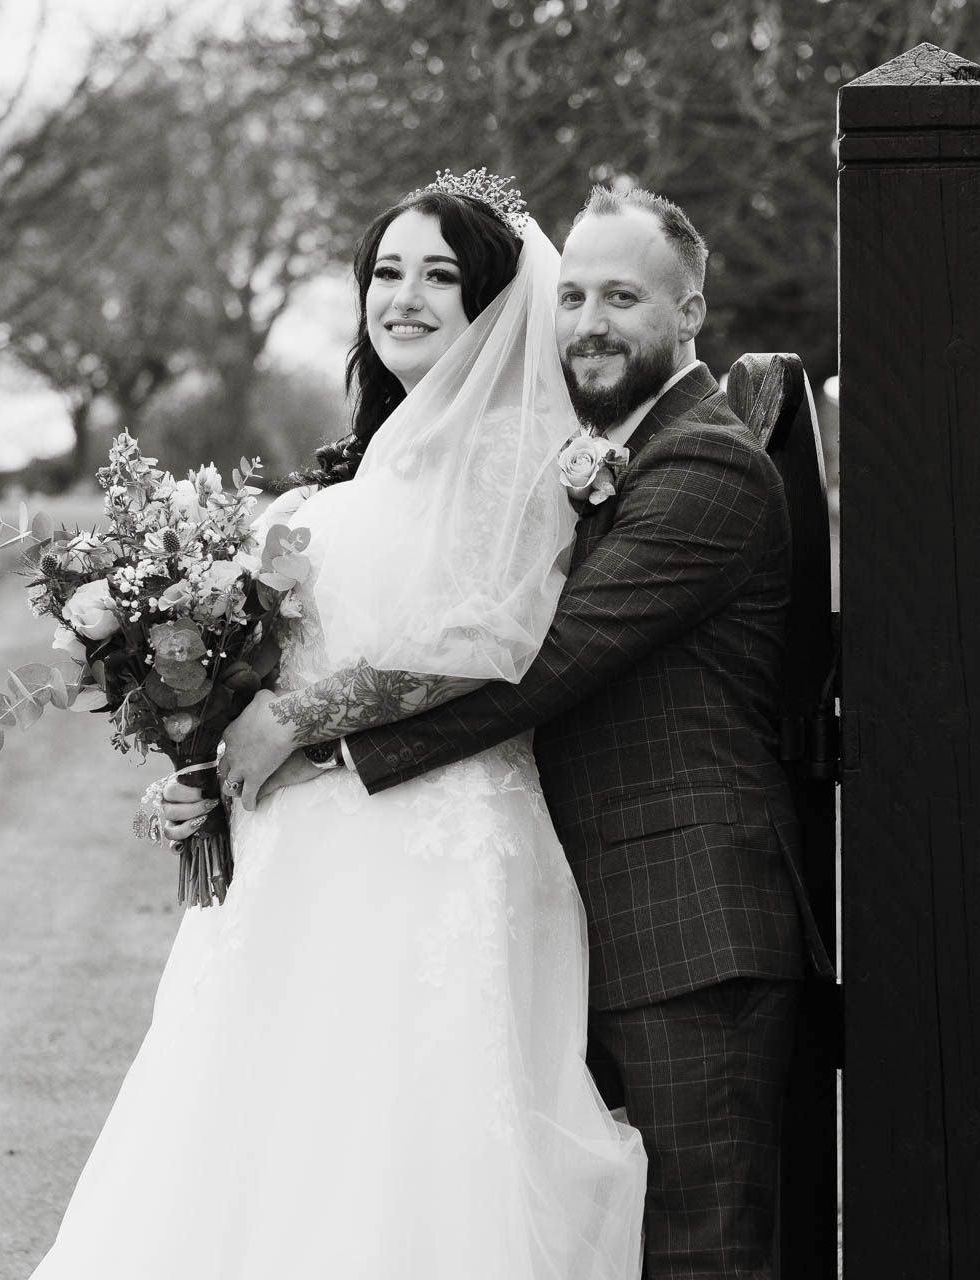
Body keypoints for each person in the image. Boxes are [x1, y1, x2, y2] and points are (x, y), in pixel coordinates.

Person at [26, 173, 647, 1280]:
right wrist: (201, 762)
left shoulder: (511, 448)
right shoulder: (368, 458)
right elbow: (268, 663)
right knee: (258, 1150)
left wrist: (296, 722)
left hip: (427, 847)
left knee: (393, 1151)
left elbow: (485, 640)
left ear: (491, 302)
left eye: (440, 276)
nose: (405, 296)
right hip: (294, 860)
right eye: (386, 272)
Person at [191, 186, 814, 1279]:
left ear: (690, 311)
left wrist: (312, 739)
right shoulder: (592, 451)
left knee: (702, 1247)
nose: (588, 323)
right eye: (572, 296)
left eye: (622, 297)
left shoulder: (705, 465)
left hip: (688, 920)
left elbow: (544, 660)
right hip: (581, 902)